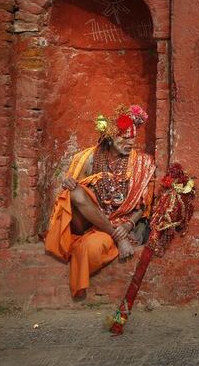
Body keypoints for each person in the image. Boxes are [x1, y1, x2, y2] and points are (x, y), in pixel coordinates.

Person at [44, 104, 156, 298]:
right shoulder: (88, 157)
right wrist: (69, 182)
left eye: (133, 138)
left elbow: (143, 204)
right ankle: (117, 237)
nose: (130, 143)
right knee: (75, 193)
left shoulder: (141, 162)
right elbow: (72, 191)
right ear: (111, 136)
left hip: (118, 221)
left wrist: (129, 225)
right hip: (89, 220)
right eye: (124, 138)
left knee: (87, 249)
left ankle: (114, 235)